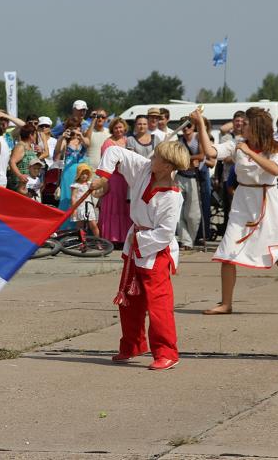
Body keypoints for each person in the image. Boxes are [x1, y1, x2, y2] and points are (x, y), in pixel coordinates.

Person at [192, 107, 278, 316]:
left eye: (245, 123)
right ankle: (226, 304)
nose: (241, 126)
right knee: (228, 254)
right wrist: (201, 123)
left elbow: (275, 170)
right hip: (242, 203)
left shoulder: (276, 148)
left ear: (255, 127)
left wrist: (249, 154)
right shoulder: (237, 145)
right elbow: (211, 152)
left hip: (267, 203)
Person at [91, 141, 191, 370]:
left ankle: (167, 352)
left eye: (157, 156)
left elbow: (165, 234)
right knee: (129, 300)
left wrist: (140, 242)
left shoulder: (172, 196)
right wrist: (104, 176)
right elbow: (114, 150)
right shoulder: (145, 168)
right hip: (136, 243)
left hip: (154, 251)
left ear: (167, 166)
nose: (151, 157)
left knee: (159, 304)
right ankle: (132, 344)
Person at [99, 118, 132, 246]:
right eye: (116, 127)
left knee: (125, 208)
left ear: (124, 128)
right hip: (113, 179)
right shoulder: (108, 143)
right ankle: (111, 237)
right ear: (112, 129)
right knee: (113, 208)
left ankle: (124, 237)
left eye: (121, 127)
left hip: (126, 179)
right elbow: (107, 162)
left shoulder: (127, 141)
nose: (119, 130)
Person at [175, 119, 203, 250]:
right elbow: (176, 158)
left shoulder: (198, 138)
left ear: (193, 127)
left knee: (193, 214)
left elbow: (202, 155)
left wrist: (186, 158)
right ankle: (186, 241)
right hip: (179, 176)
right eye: (184, 127)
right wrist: (191, 160)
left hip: (193, 178)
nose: (186, 129)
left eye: (189, 126)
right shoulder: (178, 141)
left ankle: (190, 239)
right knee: (177, 211)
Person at [54, 118, 88, 225]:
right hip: (68, 173)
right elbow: (57, 151)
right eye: (73, 128)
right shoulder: (66, 140)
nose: (76, 130)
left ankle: (78, 228)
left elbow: (88, 144)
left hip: (81, 172)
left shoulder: (82, 140)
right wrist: (62, 137)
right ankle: (65, 227)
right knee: (67, 199)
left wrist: (80, 135)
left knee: (79, 199)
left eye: (78, 127)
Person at [70, 163, 100, 237]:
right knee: (80, 227)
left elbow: (94, 194)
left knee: (93, 225)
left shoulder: (89, 184)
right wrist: (74, 209)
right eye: (82, 174)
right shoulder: (76, 185)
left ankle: (98, 241)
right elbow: (73, 197)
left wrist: (102, 193)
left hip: (88, 206)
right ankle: (81, 242)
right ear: (78, 174)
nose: (84, 176)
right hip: (79, 207)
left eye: (86, 174)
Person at [8, 124, 39, 193]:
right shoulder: (20, 146)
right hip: (20, 185)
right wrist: (20, 175)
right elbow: (12, 162)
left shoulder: (30, 147)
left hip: (29, 185)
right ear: (31, 135)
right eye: (35, 134)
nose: (36, 137)